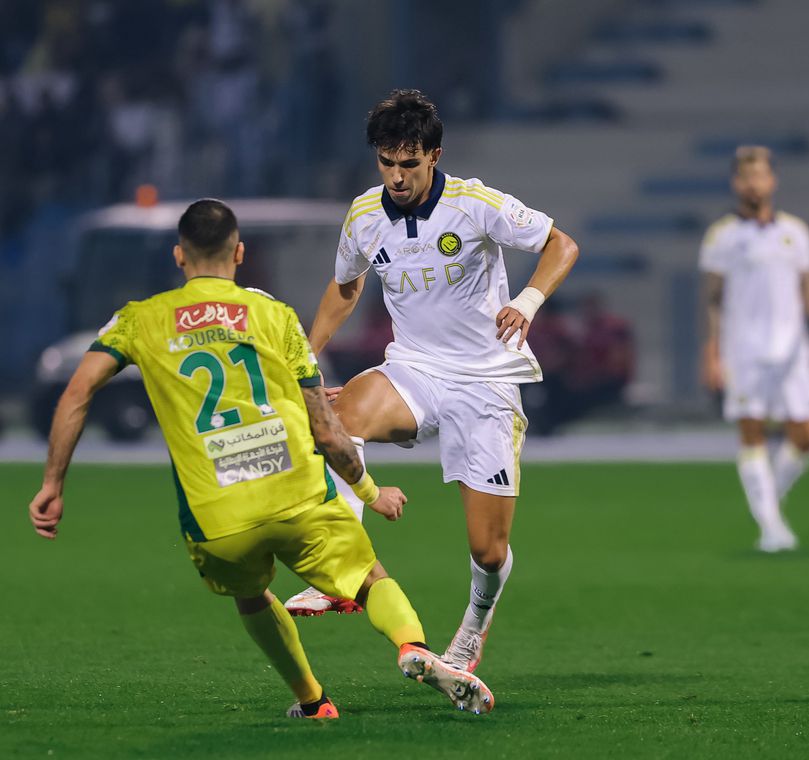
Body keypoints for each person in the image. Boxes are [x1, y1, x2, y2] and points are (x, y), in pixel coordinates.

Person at [27, 199, 494, 717]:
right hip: (298, 494)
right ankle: (414, 647)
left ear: (179, 256)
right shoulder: (274, 315)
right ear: (240, 252)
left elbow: (76, 394)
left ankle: (313, 703)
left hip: (219, 514)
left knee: (250, 597)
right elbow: (328, 430)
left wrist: (53, 484)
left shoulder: (139, 320)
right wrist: (371, 493)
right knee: (368, 578)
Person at [284, 90, 579, 674]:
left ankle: (473, 628)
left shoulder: (475, 204)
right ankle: (342, 574)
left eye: (409, 163)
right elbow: (346, 288)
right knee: (339, 422)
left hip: (485, 382)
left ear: (434, 155)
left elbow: (561, 244)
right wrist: (306, 359)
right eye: (386, 162)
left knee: (487, 550)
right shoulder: (364, 215)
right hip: (414, 368)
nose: (396, 175)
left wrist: (528, 298)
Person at [699, 146, 809, 552]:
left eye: (760, 176)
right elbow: (714, 298)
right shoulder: (723, 236)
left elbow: (808, 285)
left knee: (807, 435)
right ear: (736, 184)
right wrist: (712, 351)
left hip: (794, 347)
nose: (754, 184)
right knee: (753, 433)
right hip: (744, 348)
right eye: (746, 177)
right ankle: (770, 526)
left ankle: (768, 500)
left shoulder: (796, 232)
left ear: (772, 181)